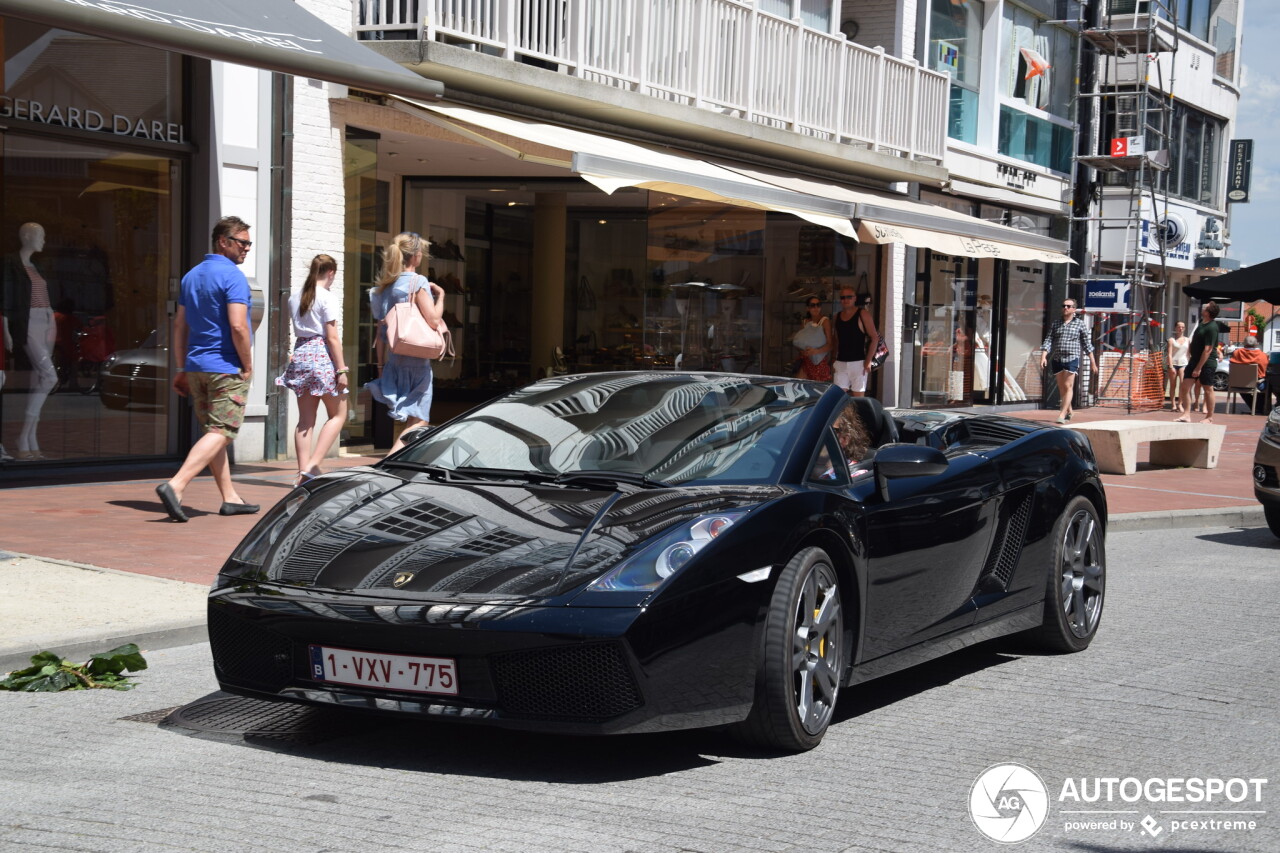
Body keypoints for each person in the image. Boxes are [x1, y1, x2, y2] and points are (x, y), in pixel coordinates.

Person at [154, 216, 260, 522]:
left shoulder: (192, 276)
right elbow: (239, 326)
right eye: (242, 242)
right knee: (222, 431)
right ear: (223, 242)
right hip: (226, 366)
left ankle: (230, 498)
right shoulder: (234, 277)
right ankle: (177, 485)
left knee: (214, 432)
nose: (247, 249)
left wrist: (181, 367)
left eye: (249, 243)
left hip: (198, 367)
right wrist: (247, 363)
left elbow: (179, 325)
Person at [367, 232, 445, 454]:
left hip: (394, 362)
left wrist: (381, 366)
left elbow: (380, 332)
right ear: (417, 256)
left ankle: (398, 462)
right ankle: (389, 463)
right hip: (418, 363)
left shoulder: (383, 289)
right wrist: (441, 297)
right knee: (419, 421)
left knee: (404, 421)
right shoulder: (417, 282)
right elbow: (434, 319)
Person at [276, 254, 349, 486]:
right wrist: (342, 370)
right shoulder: (328, 297)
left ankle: (301, 473)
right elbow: (332, 337)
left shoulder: (295, 297)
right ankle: (313, 465)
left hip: (301, 354)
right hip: (321, 356)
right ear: (330, 273)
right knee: (338, 414)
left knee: (305, 420)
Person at [2, 223, 58, 459]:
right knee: (49, 376)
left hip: (46, 319)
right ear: (26, 236)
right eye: (40, 236)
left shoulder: (38, 266)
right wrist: (5, 330)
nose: (43, 240)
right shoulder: (10, 263)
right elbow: (5, 297)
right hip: (29, 321)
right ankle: (23, 437)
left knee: (40, 378)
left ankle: (29, 442)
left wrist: (52, 321)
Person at [1040, 297, 1097, 424]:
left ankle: (1062, 413)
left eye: (1068, 306)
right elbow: (1048, 340)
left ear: (1074, 309)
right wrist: (1043, 356)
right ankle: (1070, 411)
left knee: (1068, 386)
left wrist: (1093, 361)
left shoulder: (1079, 324)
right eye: (1063, 305)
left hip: (1072, 358)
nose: (1065, 308)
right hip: (1057, 358)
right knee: (1061, 388)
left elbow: (1087, 344)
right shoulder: (1056, 323)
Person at [1176, 301, 1223, 424]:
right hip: (1194, 360)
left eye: (1205, 307)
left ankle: (1209, 417)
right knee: (1185, 386)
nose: (1202, 308)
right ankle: (1186, 414)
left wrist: (1199, 368)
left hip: (1207, 363)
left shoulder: (1212, 327)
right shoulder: (1202, 323)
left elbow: (1208, 349)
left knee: (1208, 388)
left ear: (1208, 312)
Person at [832, 290, 879, 397]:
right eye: (843, 297)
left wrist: (868, 361)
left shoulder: (862, 314)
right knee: (838, 398)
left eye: (849, 297)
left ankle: (858, 414)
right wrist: (833, 358)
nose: (846, 300)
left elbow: (874, 338)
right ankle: (844, 414)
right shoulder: (836, 317)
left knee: (858, 398)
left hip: (858, 362)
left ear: (855, 298)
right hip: (841, 362)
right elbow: (836, 339)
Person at [792, 296, 832, 381]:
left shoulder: (825, 321)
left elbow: (830, 344)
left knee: (817, 390)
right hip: (806, 361)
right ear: (807, 308)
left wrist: (816, 351)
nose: (816, 308)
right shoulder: (805, 322)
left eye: (818, 305)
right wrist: (801, 351)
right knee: (801, 387)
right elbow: (799, 342)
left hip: (820, 362)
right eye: (812, 305)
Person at [1165, 321, 1190, 413]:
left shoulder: (1187, 340)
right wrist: (1171, 366)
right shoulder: (1171, 340)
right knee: (1173, 384)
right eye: (1179, 327)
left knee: (1183, 384)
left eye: (1183, 327)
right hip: (1174, 364)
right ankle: (1173, 404)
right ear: (1175, 328)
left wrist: (1189, 363)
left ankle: (1180, 403)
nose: (1181, 329)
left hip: (1184, 363)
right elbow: (1169, 354)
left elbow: (1188, 353)